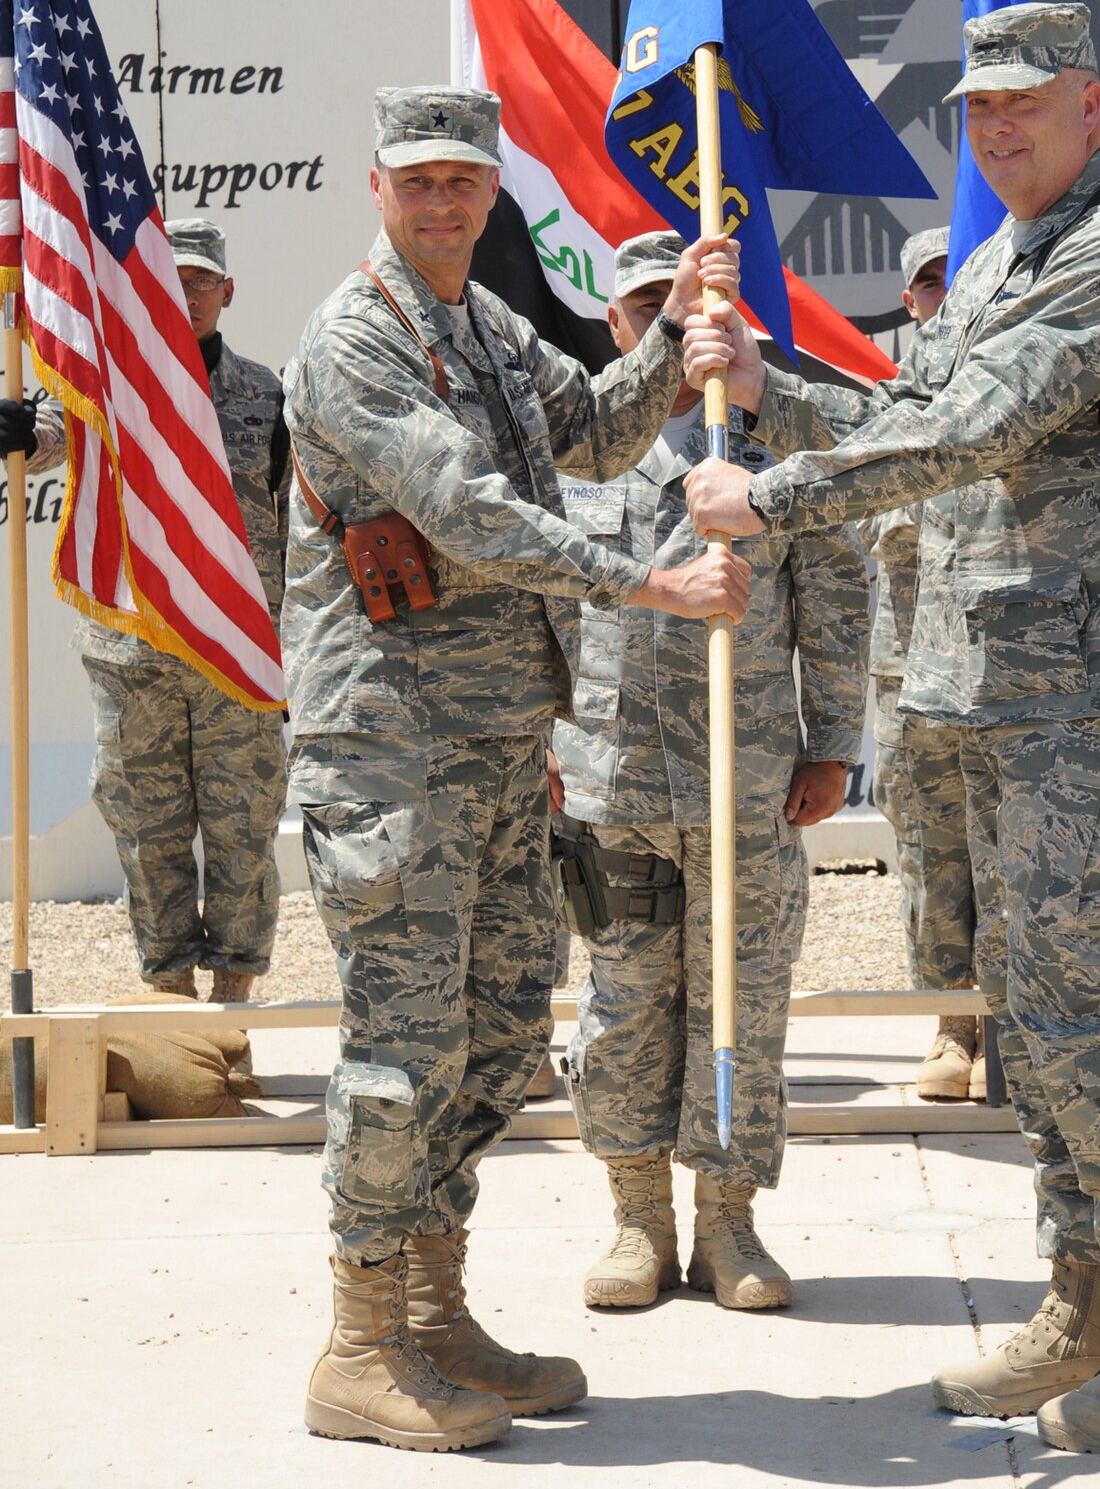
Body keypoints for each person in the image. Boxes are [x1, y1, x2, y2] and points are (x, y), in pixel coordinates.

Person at [681, 3, 1100, 1456]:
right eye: (977, 113)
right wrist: (772, 395)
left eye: (1026, 105)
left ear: (1088, 106)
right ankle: (1088, 1301)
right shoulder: (1009, 254)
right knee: (1029, 1003)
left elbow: (978, 428)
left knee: (1071, 998)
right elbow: (914, 405)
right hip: (1017, 681)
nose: (999, 131)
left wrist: (769, 495)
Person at [283, 87, 750, 1455]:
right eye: (418, 182)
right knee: (400, 1046)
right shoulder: (357, 339)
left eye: (463, 184)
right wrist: (640, 582)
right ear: (376, 188)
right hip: (391, 748)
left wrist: (674, 337)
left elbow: (594, 435)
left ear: (492, 193)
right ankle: (357, 1346)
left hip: (493, 745)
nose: (442, 205)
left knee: (490, 1040)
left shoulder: (482, 328)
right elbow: (468, 510)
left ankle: (435, 1316)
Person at [552, 231, 870, 1314]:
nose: (670, 328)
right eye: (649, 307)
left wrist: (833, 740)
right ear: (616, 322)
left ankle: (727, 1220)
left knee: (741, 1001)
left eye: (686, 309)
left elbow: (834, 594)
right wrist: (541, 748)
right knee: (624, 1003)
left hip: (748, 778)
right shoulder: (571, 448)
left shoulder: (770, 446)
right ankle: (637, 1217)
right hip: (612, 782)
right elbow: (533, 603)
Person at [0, 217, 288, 1004]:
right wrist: (21, 431)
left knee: (244, 833)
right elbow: (56, 436)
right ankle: (167, 1010)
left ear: (227, 293)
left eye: (200, 282)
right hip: (134, 657)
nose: (185, 295)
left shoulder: (270, 394)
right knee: (146, 832)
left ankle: (230, 1012)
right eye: (170, 281)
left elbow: (298, 517)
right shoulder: (105, 388)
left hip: (237, 652)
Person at [861, 227, 982, 1102]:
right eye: (928, 283)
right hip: (909, 669)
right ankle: (953, 1021)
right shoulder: (882, 406)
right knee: (933, 855)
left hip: (1007, 665)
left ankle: (1029, 1028)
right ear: (909, 301)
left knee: (1024, 851)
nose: (941, 295)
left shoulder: (1020, 397)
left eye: (957, 279)